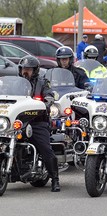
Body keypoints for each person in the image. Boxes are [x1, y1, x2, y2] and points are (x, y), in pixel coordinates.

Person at [18, 55, 60, 192]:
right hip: (18, 121)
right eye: (24, 69)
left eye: (28, 69)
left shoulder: (43, 82)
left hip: (37, 121)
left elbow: (49, 94)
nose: (25, 72)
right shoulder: (15, 83)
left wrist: (47, 102)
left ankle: (55, 179)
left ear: (35, 70)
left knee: (45, 148)